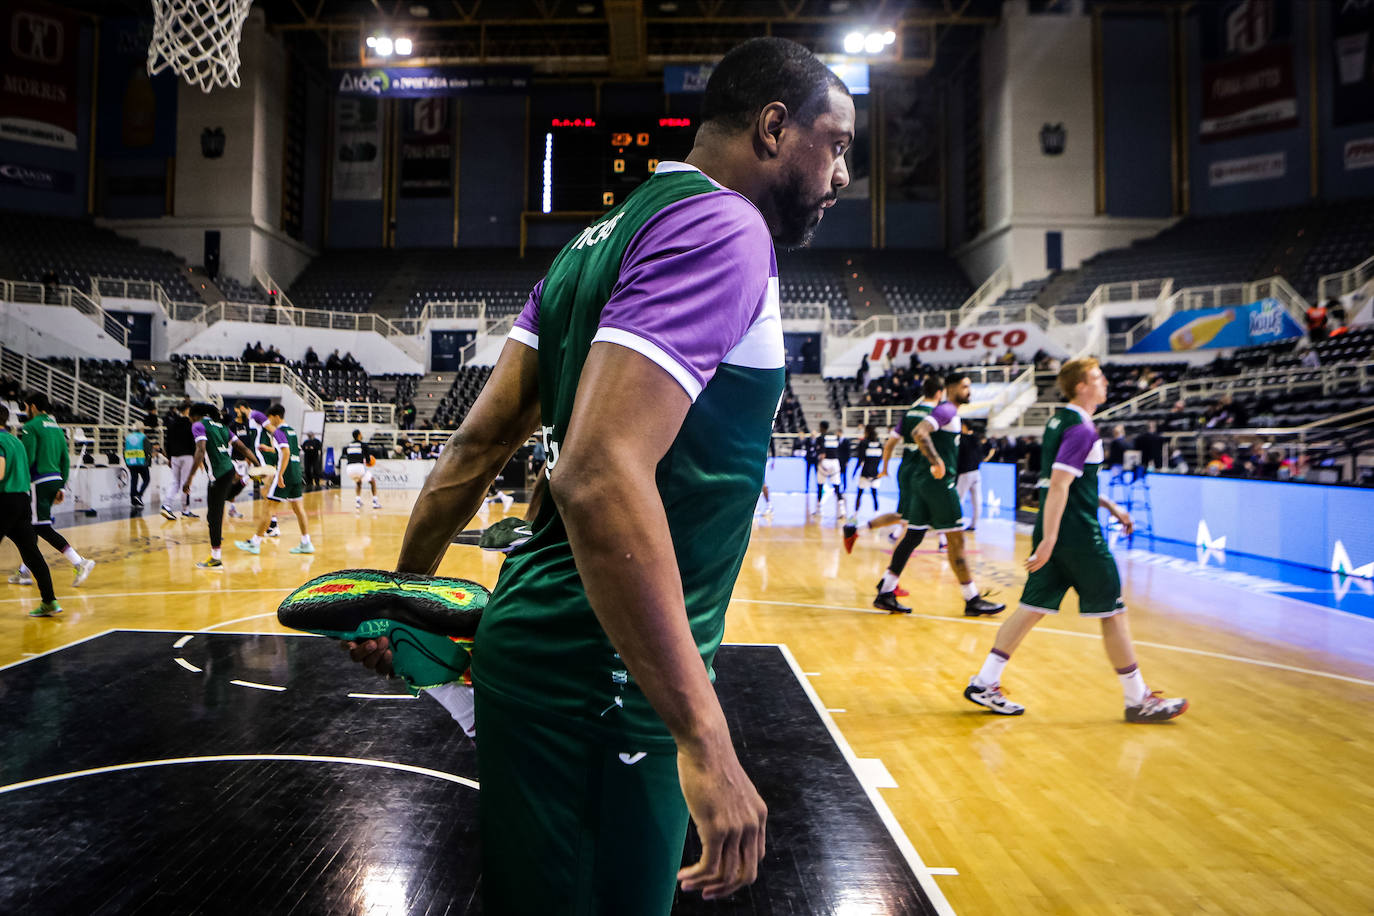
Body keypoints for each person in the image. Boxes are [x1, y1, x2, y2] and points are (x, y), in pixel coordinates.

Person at [338, 37, 851, 913]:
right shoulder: (730, 227)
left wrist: (402, 595)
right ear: (774, 129)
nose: (843, 174)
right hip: (609, 679)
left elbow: (473, 449)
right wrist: (705, 736)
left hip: (541, 647)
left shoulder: (588, 245)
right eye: (836, 143)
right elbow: (598, 471)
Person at [963, 357, 1188, 723]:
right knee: (1113, 613)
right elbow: (1059, 486)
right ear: (1082, 386)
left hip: (1061, 531)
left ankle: (984, 680)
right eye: (1097, 377)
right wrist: (1051, 539)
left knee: (1032, 606)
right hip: (1077, 534)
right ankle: (1137, 699)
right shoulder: (1082, 430)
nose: (1105, 383)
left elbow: (1072, 481)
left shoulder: (1061, 421)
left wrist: (1109, 505)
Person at [858, 373, 1004, 616]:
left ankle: (886, 591)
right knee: (956, 539)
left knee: (912, 536)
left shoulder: (947, 411)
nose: (969, 390)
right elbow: (919, 432)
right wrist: (936, 461)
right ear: (950, 388)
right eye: (965, 386)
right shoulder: (946, 410)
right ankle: (972, 599)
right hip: (938, 484)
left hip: (923, 482)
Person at [8, 393, 96, 588]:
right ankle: (24, 571)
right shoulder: (57, 427)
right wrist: (61, 485)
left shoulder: (30, 427)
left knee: (39, 527)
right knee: (31, 527)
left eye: (25, 406)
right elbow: (65, 459)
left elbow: (28, 458)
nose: (24, 410)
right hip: (54, 480)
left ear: (32, 407)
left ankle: (79, 561)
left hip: (37, 482)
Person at [0, 406, 60, 617]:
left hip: (4, 500)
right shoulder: (16, 441)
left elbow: (0, 471)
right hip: (22, 500)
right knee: (31, 553)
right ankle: (49, 601)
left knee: (31, 552)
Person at [188, 403, 260, 569]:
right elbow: (241, 446)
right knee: (222, 501)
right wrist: (257, 464)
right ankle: (245, 479)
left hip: (219, 475)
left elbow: (200, 450)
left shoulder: (198, 426)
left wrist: (189, 478)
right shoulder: (221, 426)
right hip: (229, 470)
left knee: (214, 517)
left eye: (190, 418)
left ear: (195, 415)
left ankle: (216, 558)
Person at [236, 404, 312, 555]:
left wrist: (281, 474)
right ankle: (306, 543)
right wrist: (270, 449)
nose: (269, 423)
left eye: (270, 419)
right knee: (298, 508)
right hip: (297, 473)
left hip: (286, 473)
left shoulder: (279, 432)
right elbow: (292, 450)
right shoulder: (291, 431)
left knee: (269, 507)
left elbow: (286, 452)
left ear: (276, 417)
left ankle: (255, 542)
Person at [161, 400, 199, 520]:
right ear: (188, 410)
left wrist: (169, 457)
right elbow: (194, 443)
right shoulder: (191, 424)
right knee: (185, 483)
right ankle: (185, 510)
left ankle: (166, 505)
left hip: (174, 457)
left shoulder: (172, 422)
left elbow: (167, 442)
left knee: (175, 482)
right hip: (187, 456)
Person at [955, 420, 991, 532]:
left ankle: (956, 523)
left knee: (958, 499)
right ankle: (974, 524)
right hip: (976, 472)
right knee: (976, 500)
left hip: (966, 472)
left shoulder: (962, 439)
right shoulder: (977, 439)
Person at [813, 420, 848, 520]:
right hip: (835, 462)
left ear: (821, 427)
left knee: (820, 486)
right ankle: (842, 511)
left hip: (825, 462)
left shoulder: (820, 438)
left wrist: (820, 460)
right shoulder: (835, 437)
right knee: (837, 487)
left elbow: (821, 453)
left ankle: (818, 510)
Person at [342, 429, 381, 509]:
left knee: (358, 482)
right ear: (359, 435)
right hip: (359, 467)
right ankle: (375, 502)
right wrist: (369, 462)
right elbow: (368, 460)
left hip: (349, 469)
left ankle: (358, 502)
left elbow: (346, 455)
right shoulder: (363, 445)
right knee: (372, 482)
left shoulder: (348, 445)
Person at [850, 424, 884, 513]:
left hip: (865, 474)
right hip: (875, 474)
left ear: (866, 432)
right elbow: (881, 459)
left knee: (859, 494)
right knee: (874, 495)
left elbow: (860, 460)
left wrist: (854, 472)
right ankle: (877, 515)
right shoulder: (879, 444)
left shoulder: (864, 443)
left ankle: (855, 516)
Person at [124, 421, 150, 508]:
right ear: (142, 428)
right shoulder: (143, 437)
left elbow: (125, 450)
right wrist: (148, 461)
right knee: (146, 479)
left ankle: (133, 501)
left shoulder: (128, 437)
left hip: (131, 462)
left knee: (134, 481)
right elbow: (147, 451)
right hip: (141, 462)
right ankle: (139, 495)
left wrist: (126, 462)